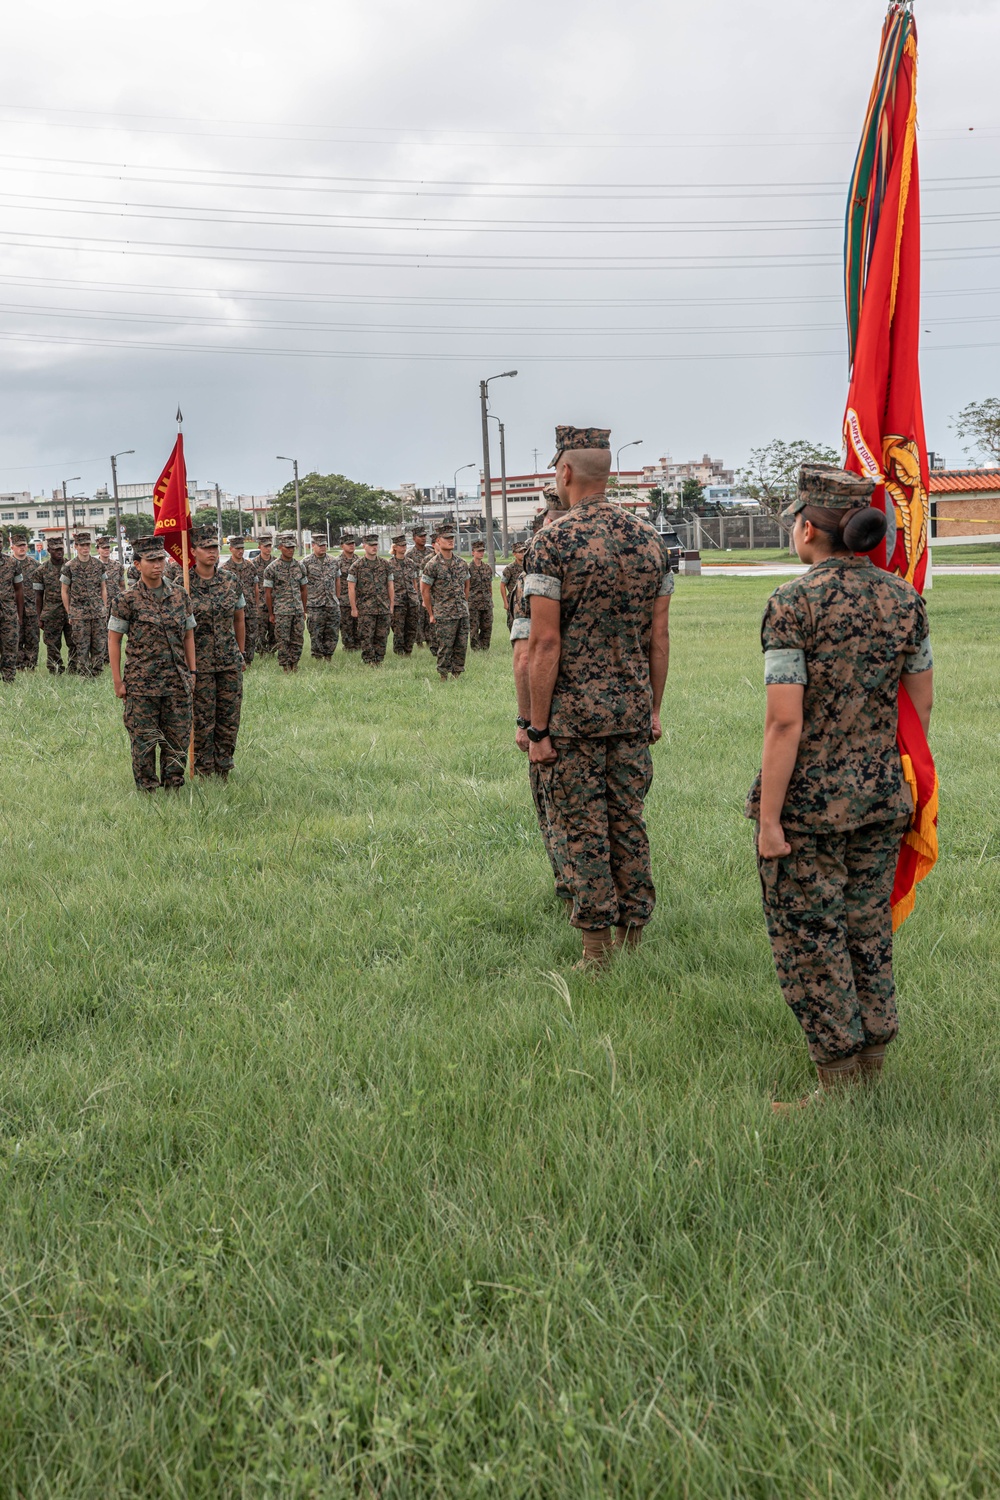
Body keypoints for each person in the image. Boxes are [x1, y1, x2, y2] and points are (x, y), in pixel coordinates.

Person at [746, 464, 934, 1110]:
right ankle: (872, 1060)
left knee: (812, 937)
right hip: (884, 798)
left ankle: (836, 1085)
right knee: (867, 928)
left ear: (807, 529)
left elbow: (783, 721)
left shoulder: (792, 605)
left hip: (811, 810)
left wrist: (770, 821)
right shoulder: (905, 601)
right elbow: (921, 708)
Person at [526, 425, 672, 969]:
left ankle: (596, 949)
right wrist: (653, 708)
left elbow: (544, 642)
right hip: (632, 709)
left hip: (573, 719)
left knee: (584, 827)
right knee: (628, 819)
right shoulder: (648, 540)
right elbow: (659, 638)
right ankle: (635, 935)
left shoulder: (552, 541)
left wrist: (537, 729)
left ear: (565, 473)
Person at [511, 490, 572, 908]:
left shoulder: (537, 575)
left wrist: (528, 724)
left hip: (558, 716)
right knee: (623, 817)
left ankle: (573, 896)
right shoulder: (626, 551)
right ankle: (630, 921)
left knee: (561, 815)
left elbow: (525, 656)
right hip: (625, 714)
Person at [107, 535, 196, 792]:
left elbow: (189, 635)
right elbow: (114, 641)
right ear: (137, 564)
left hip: (177, 681)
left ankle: (174, 786)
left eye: (161, 559)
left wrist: (193, 671)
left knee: (178, 739)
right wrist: (117, 681)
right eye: (151, 560)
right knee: (144, 741)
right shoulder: (127, 599)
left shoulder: (179, 595)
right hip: (141, 684)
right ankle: (147, 789)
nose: (158, 565)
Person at [188, 526, 246, 779]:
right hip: (198, 663)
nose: (212, 552)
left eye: (214, 547)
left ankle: (224, 765)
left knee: (229, 717)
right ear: (193, 551)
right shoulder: (184, 584)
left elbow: (239, 619)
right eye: (206, 548)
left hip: (228, 660)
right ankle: (203, 768)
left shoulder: (230, 580)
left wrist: (240, 653)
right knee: (202, 719)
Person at [421, 524, 470, 681]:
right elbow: (425, 590)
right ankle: (443, 676)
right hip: (444, 612)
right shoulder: (432, 565)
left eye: (452, 538)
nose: (450, 541)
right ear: (438, 541)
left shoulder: (462, 563)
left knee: (461, 645)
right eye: (446, 538)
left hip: (461, 611)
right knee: (445, 646)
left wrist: (464, 602)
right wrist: (431, 613)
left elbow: (467, 585)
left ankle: (457, 674)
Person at [60, 529, 108, 678]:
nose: (85, 548)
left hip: (97, 612)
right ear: (76, 547)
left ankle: (97, 674)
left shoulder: (98, 564)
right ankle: (84, 675)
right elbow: (64, 591)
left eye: (87, 544)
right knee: (81, 646)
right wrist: (70, 612)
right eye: (82, 545)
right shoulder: (69, 566)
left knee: (99, 645)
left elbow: (103, 588)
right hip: (79, 614)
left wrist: (104, 608)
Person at [263, 531, 307, 672]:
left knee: (298, 638)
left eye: (292, 547)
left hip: (297, 610)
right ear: (280, 547)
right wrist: (271, 613)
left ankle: (295, 664)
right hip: (281, 610)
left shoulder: (300, 566)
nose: (290, 550)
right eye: (287, 548)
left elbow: (304, 589)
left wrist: (304, 609)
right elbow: (268, 593)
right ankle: (285, 667)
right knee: (283, 640)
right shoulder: (272, 568)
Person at [348, 533, 394, 666]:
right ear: (364, 546)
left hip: (383, 607)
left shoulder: (385, 564)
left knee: (382, 636)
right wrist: (354, 608)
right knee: (366, 637)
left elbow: (390, 585)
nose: (374, 547)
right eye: (371, 545)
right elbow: (351, 589)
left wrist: (391, 604)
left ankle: (379, 661)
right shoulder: (356, 566)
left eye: (376, 545)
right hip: (365, 609)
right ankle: (369, 661)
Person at [33, 535, 73, 674]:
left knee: (74, 642)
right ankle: (56, 670)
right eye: (55, 549)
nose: (59, 552)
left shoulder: (71, 566)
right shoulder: (41, 570)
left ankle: (74, 669)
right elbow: (38, 596)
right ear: (49, 550)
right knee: (52, 644)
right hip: (51, 613)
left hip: (70, 612)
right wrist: (39, 617)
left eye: (61, 549)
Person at [222, 535, 260, 666]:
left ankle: (248, 662)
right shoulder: (225, 569)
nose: (240, 551)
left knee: (251, 636)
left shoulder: (250, 566)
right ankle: (235, 660)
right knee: (234, 634)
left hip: (249, 607)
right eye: (237, 548)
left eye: (242, 548)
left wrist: (256, 605)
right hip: (234, 609)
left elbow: (256, 588)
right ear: (231, 549)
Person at [302, 532, 340, 661]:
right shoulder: (306, 562)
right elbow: (302, 585)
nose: (323, 547)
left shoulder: (333, 561)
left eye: (324, 545)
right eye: (320, 545)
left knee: (332, 631)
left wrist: (336, 598)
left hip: (331, 603)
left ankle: (329, 656)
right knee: (316, 632)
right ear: (313, 545)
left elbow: (337, 580)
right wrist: (305, 604)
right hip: (314, 604)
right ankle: (317, 657)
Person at [9, 530, 39, 670]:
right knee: (16, 639)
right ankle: (19, 667)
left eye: (24, 545)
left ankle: (31, 667)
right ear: (12, 547)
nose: (22, 548)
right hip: (12, 610)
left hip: (32, 609)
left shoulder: (35, 565)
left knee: (33, 639)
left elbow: (42, 589)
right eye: (18, 545)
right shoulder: (7, 565)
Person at [96, 536, 126, 669]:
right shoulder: (95, 566)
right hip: (100, 604)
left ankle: (113, 656)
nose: (106, 550)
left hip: (115, 603)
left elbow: (122, 585)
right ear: (98, 550)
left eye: (108, 548)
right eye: (103, 548)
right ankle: (102, 657)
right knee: (101, 631)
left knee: (114, 631)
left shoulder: (117, 566)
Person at [0, 538, 24, 684]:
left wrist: (19, 615)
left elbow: (19, 590)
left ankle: (8, 680)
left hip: (8, 613)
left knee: (10, 646)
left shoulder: (12, 563)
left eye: (0, 541)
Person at [389, 532, 418, 655]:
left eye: (405, 545)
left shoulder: (410, 563)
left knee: (411, 627)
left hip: (411, 600)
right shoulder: (389, 564)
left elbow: (414, 581)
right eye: (401, 545)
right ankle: (399, 651)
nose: (404, 548)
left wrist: (416, 596)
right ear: (395, 547)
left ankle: (408, 651)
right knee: (398, 628)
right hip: (397, 601)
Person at [406, 525, 433, 650]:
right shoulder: (409, 555)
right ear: (414, 538)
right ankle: (419, 642)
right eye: (420, 536)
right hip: (416, 590)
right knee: (418, 617)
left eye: (424, 536)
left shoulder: (430, 553)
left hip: (430, 589)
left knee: (429, 616)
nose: (423, 538)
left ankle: (430, 639)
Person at [468, 539, 494, 651]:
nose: (481, 553)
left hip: (486, 602)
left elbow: (490, 585)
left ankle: (485, 647)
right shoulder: (468, 568)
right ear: (473, 552)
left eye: (482, 551)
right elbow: (466, 586)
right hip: (473, 603)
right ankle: (476, 648)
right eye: (478, 551)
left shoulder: (487, 568)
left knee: (487, 626)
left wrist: (490, 599)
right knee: (474, 627)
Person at [335, 534, 360, 652]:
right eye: (348, 544)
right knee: (346, 626)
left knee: (360, 625)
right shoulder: (337, 562)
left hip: (358, 599)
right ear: (342, 546)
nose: (351, 546)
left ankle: (359, 646)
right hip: (344, 599)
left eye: (353, 543)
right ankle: (349, 648)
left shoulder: (359, 560)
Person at [253, 531, 277, 655]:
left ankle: (272, 652)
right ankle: (262, 653)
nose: (268, 548)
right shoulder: (253, 564)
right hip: (260, 604)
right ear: (259, 547)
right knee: (260, 631)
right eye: (265, 546)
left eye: (269, 546)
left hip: (274, 602)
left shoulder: (276, 562)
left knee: (274, 631)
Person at [500, 542, 526, 633]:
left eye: (524, 551)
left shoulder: (528, 566)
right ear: (514, 554)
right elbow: (502, 585)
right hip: (513, 601)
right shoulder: (509, 568)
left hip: (526, 600)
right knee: (513, 625)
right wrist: (505, 602)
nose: (523, 554)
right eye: (520, 552)